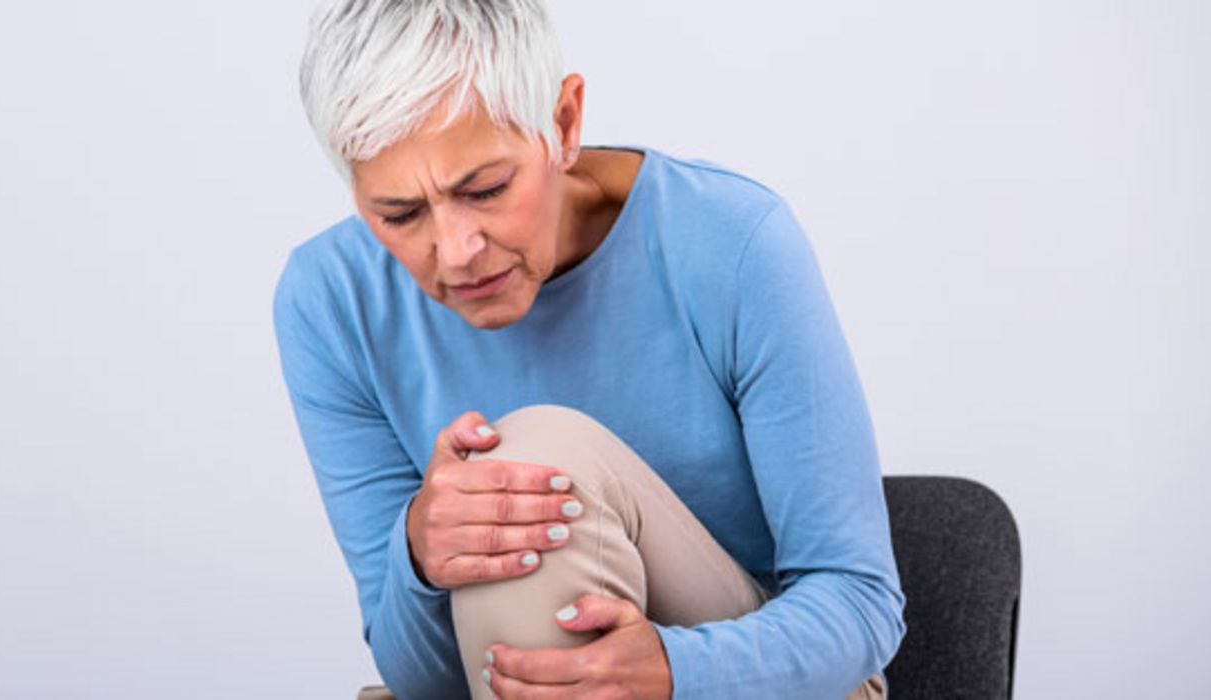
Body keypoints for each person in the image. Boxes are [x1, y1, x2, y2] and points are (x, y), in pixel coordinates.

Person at [274, 1, 905, 698]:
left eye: (485, 189)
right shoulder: (329, 301)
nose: (455, 252)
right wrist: (422, 554)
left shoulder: (730, 241)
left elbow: (861, 604)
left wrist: (673, 670)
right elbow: (423, 683)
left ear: (564, 123)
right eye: (399, 214)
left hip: (762, 678)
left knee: (534, 462)